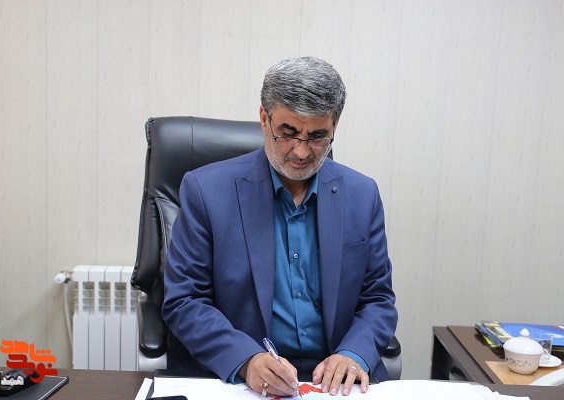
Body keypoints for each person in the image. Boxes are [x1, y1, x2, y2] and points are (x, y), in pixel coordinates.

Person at [162, 56, 397, 397]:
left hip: (335, 384)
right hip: (245, 380)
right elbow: (185, 300)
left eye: (318, 136)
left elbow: (378, 299)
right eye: (288, 134)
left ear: (335, 126)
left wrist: (354, 353)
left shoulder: (362, 194)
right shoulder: (206, 191)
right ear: (264, 119)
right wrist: (246, 359)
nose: (301, 152)